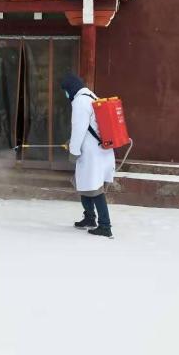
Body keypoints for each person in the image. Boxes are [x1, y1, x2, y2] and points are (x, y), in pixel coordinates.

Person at [60, 73, 115, 238]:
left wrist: (73, 152)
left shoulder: (80, 102)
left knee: (94, 189)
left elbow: (79, 129)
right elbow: (90, 126)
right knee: (84, 184)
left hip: (92, 153)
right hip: (101, 150)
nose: (66, 94)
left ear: (70, 88)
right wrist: (72, 143)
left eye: (65, 90)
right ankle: (89, 218)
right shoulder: (91, 95)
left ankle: (105, 226)